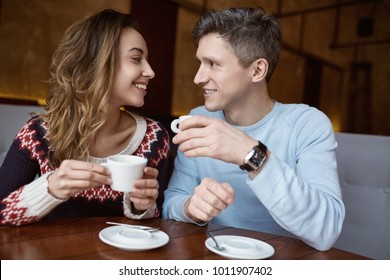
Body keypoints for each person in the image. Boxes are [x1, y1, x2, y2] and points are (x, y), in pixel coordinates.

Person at [163, 7, 345, 251]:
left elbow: (326, 231)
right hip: (215, 258)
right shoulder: (198, 118)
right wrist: (191, 207)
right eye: (200, 63)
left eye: (213, 64)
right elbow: (171, 202)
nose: (198, 77)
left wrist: (251, 154)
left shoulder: (307, 124)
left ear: (257, 70)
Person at [0, 9, 170, 226]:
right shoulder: (38, 134)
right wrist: (50, 188)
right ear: (97, 63)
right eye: (137, 59)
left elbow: (158, 217)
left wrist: (141, 206)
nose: (150, 71)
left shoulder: (155, 138)